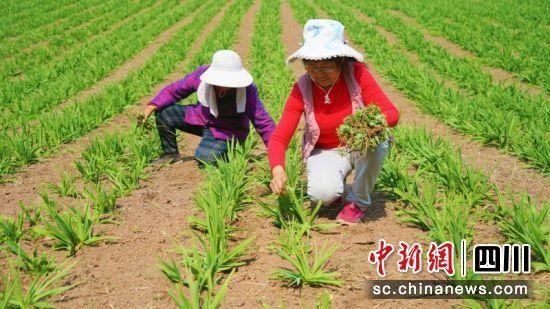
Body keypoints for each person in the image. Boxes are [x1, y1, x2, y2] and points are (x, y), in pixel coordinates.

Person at [267, 19, 399, 225]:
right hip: (326, 151)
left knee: (379, 142)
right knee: (322, 195)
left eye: (327, 66)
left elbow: (391, 113)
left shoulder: (357, 74)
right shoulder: (302, 88)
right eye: (313, 66)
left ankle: (357, 202)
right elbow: (279, 138)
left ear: (341, 61)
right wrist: (277, 170)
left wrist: (370, 127)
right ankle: (336, 192)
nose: (320, 73)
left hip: (358, 144)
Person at [142, 50, 276, 165]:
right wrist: (153, 104)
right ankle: (170, 154)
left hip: (227, 131)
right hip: (201, 119)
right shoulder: (200, 75)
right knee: (164, 113)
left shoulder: (247, 90)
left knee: (205, 158)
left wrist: (277, 153)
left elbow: (262, 122)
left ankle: (230, 153)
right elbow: (175, 90)